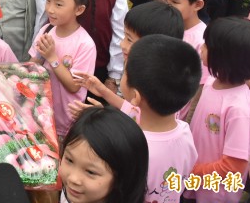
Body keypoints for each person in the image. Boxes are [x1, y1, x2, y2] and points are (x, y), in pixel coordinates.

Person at [77, 35, 201, 203]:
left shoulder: (132, 146)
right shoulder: (184, 131)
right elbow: (137, 111)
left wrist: (103, 123)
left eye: (124, 71)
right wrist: (106, 93)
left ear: (135, 95)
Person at [187, 17, 250, 203]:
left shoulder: (239, 109)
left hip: (215, 194)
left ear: (224, 58)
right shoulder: (212, 81)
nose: (201, 47)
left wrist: (191, 171)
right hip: (196, 181)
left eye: (207, 46)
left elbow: (234, 166)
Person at [30, 0, 96, 142]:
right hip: (43, 113)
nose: (50, 9)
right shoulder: (47, 29)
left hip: (67, 122)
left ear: (79, 10)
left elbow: (74, 86)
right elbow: (33, 65)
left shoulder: (85, 44)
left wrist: (52, 57)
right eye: (49, 1)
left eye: (58, 4)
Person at [59, 106, 148, 203]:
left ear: (123, 178)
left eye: (90, 172)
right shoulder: (68, 194)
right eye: (69, 160)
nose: (73, 178)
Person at [163, 0, 211, 88]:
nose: (167, 6)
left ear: (197, 5)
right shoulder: (166, 24)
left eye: (174, 2)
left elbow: (200, 85)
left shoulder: (202, 40)